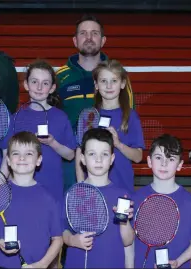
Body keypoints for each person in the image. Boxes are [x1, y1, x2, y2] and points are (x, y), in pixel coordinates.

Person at [56, 14, 135, 193]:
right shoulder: (60, 77)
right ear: (75, 40)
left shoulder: (118, 77)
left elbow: (128, 120)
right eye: (83, 33)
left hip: (109, 164)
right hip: (69, 167)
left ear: (103, 40)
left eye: (94, 33)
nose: (89, 37)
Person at [0, 131, 63, 268]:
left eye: (29, 154)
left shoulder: (49, 198)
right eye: (16, 153)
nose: (22, 158)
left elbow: (58, 239)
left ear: (38, 160)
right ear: (8, 160)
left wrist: (42, 265)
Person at [132, 134, 191, 268]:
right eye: (159, 157)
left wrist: (178, 262)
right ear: (149, 161)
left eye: (171, 158)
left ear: (180, 164)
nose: (164, 163)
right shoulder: (136, 199)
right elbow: (128, 242)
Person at [1, 59, 75, 202]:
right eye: (34, 82)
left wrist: (53, 143)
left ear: (52, 88)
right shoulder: (15, 118)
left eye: (45, 83)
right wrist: (0, 183)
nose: (39, 87)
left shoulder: (60, 117)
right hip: (20, 189)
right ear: (26, 85)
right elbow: (6, 158)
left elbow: (70, 155)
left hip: (52, 188)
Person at [63, 128, 135, 268]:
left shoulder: (123, 196)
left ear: (112, 159)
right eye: (92, 154)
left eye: (104, 154)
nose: (98, 159)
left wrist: (124, 223)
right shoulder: (72, 194)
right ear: (82, 159)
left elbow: (128, 241)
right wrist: (72, 240)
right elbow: (62, 231)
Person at [78, 59, 143, 194]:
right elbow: (79, 152)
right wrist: (80, 185)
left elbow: (138, 157)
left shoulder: (130, 117)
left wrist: (118, 144)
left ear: (123, 84)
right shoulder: (89, 116)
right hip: (92, 190)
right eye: (103, 81)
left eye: (114, 81)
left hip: (122, 187)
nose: (109, 86)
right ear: (96, 85)